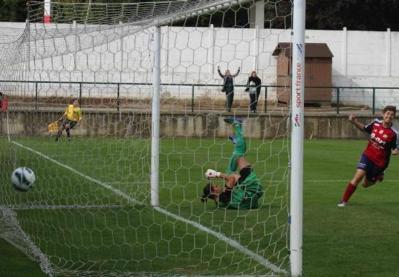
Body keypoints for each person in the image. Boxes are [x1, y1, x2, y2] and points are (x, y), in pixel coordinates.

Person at [338, 105, 399, 207]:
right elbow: (365, 128)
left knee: (365, 184)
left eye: (392, 115)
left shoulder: (394, 133)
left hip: (380, 164)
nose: (389, 116)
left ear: (394, 117)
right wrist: (354, 121)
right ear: (383, 114)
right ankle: (343, 201)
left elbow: (396, 148)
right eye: (387, 113)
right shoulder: (375, 123)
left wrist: (396, 151)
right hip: (367, 156)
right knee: (358, 176)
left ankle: (379, 175)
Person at [201, 117, 263, 209]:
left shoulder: (221, 201)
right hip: (252, 189)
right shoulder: (222, 198)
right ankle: (237, 125)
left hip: (250, 198)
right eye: (216, 186)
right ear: (213, 192)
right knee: (238, 157)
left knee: (231, 171)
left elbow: (231, 181)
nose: (218, 185)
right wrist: (216, 174)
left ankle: (236, 140)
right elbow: (232, 179)